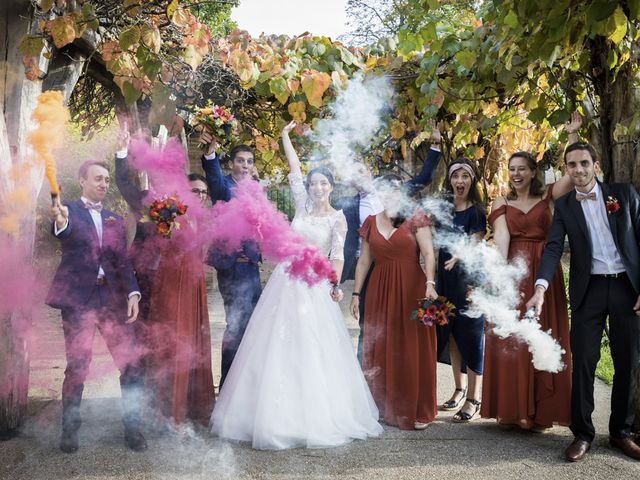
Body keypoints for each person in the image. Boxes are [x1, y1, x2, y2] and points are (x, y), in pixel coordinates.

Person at [210, 121, 382, 449]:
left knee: (313, 345)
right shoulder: (301, 203)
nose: (317, 188)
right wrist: (286, 136)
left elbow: (337, 257)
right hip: (286, 280)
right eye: (313, 183)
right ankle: (265, 413)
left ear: (331, 188)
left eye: (323, 184)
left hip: (314, 283)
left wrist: (334, 283)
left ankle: (313, 414)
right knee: (272, 342)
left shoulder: (338, 218)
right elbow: (293, 167)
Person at [526, 141, 640, 462]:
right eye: (572, 165)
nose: (578, 170)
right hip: (587, 291)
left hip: (626, 289)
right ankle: (583, 433)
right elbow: (552, 248)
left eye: (584, 163)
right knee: (584, 363)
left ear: (596, 165)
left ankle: (621, 432)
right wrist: (540, 287)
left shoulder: (624, 194)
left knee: (628, 362)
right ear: (567, 169)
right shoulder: (564, 206)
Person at [482, 117, 580, 431]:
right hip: (515, 272)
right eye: (511, 169)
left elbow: (573, 173)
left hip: (545, 274)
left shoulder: (548, 196)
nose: (516, 174)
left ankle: (542, 411)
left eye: (522, 168)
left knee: (544, 334)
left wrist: (573, 134)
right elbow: (500, 243)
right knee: (515, 338)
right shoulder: (501, 202)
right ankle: (516, 409)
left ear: (533, 171)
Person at [46, 160, 146, 453]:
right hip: (79, 301)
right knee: (78, 366)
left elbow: (122, 262)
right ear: (82, 181)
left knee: (130, 364)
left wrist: (133, 294)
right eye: (98, 179)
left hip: (113, 301)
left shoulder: (114, 218)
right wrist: (60, 217)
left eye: (106, 179)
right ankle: (70, 431)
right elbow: (61, 228)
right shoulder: (69, 211)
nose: (104, 183)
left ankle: (133, 429)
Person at [337, 127, 443, 364]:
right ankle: (367, 377)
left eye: (361, 171)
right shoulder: (350, 205)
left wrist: (435, 146)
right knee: (370, 326)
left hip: (406, 271)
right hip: (373, 270)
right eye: (353, 174)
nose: (359, 176)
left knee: (405, 330)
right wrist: (352, 287)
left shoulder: (396, 191)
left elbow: (424, 177)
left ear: (369, 172)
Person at [349, 174, 438, 430]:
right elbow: (364, 261)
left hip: (412, 288)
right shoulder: (370, 222)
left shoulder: (416, 218)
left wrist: (430, 284)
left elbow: (428, 254)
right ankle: (381, 405)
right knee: (380, 344)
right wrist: (356, 294)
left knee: (412, 347)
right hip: (378, 289)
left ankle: (416, 407)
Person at [143, 173, 216, 428]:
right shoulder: (170, 214)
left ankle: (194, 409)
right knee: (175, 343)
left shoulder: (203, 222)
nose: (200, 196)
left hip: (194, 286)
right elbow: (159, 239)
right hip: (173, 284)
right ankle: (169, 413)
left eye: (203, 193)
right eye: (195, 191)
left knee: (196, 341)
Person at [200, 132, 262, 389]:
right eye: (240, 161)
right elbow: (213, 179)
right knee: (235, 325)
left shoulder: (257, 190)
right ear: (231, 163)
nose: (245, 166)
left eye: (249, 161)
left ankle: (245, 388)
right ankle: (227, 387)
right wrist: (210, 153)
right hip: (232, 266)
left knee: (254, 326)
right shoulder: (223, 186)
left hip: (253, 268)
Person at [436, 159, 486, 422]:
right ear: (450, 180)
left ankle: (474, 398)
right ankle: (459, 388)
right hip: (445, 279)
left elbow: (476, 246)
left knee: (472, 335)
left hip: (468, 278)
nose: (460, 181)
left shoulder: (476, 211)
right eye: (456, 176)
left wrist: (458, 256)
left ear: (472, 181)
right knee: (453, 333)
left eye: (465, 176)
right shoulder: (443, 210)